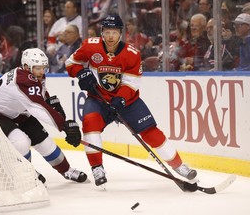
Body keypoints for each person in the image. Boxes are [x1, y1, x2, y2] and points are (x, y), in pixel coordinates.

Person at [65, 14, 197, 186]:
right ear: (102, 32)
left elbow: (130, 83)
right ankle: (97, 168)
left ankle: (179, 166)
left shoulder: (132, 54)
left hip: (128, 102)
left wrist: (120, 100)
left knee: (150, 131)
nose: (110, 36)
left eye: (114, 32)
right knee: (90, 123)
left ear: (121, 33)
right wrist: (80, 73)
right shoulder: (90, 46)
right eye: (107, 32)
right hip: (98, 98)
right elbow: (70, 63)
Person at [0, 48, 87, 184]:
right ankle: (27, 172)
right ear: (27, 67)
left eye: (43, 68)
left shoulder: (33, 75)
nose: (42, 72)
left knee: (46, 144)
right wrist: (63, 125)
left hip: (19, 113)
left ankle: (67, 170)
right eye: (38, 68)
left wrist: (55, 107)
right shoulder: (23, 79)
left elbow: (41, 96)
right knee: (21, 142)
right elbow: (38, 107)